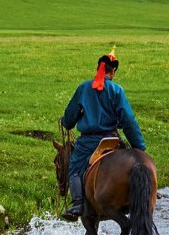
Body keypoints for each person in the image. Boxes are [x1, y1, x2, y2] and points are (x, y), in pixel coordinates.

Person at [60, 49, 147, 220]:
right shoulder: (117, 90)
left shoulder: (84, 88)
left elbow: (69, 120)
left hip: (88, 142)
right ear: (112, 71)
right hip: (112, 141)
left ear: (98, 69)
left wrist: (65, 121)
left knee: (75, 169)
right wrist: (139, 147)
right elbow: (128, 120)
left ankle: (77, 205)